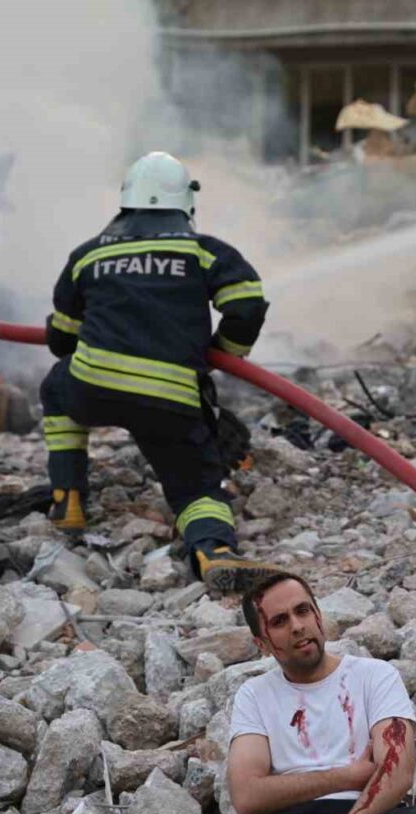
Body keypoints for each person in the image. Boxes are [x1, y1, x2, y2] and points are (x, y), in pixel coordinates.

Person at [39, 151, 277, 592]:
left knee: (56, 387)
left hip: (94, 388)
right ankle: (213, 551)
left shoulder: (87, 256)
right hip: (169, 399)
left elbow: (61, 341)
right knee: (195, 482)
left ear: (125, 204)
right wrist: (223, 352)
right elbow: (246, 304)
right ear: (185, 204)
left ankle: (67, 497)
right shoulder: (204, 251)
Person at [197, 572, 416, 814]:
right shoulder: (255, 695)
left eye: (302, 611)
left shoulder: (374, 676)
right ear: (261, 644)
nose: (297, 626)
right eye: (279, 621)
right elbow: (247, 797)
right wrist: (348, 776)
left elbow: (398, 774)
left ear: (318, 616)